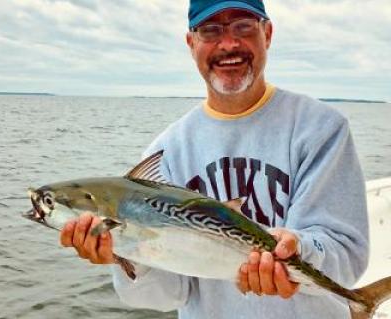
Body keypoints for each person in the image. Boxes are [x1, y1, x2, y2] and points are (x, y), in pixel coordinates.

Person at [60, 0, 369, 318]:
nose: (229, 44)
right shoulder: (166, 152)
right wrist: (126, 252)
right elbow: (166, 295)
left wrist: (298, 249)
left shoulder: (321, 129)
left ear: (268, 33)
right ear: (191, 43)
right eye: (210, 30)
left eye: (243, 26)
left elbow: (346, 260)